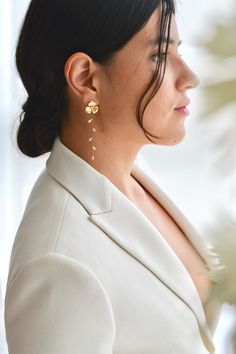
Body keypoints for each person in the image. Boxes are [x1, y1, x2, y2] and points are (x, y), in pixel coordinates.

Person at [4, 0, 223, 353]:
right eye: (159, 56)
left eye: (177, 50)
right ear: (85, 78)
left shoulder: (132, 178)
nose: (189, 77)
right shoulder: (56, 263)